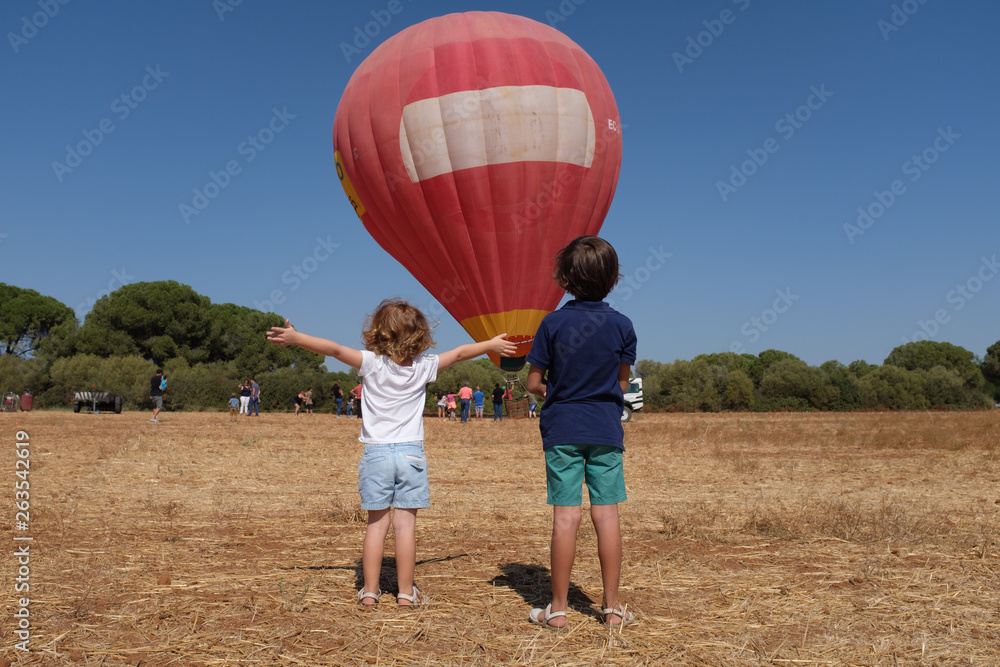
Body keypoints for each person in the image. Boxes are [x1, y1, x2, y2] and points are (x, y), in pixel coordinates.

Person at [266, 298, 514, 608]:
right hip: (411, 454)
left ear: (378, 333)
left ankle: (369, 592)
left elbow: (333, 350)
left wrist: (295, 338)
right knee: (405, 526)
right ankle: (406, 593)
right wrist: (491, 343)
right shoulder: (425, 367)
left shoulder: (370, 362)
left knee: (376, 525)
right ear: (419, 335)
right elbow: (462, 353)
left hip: (377, 454)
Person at [524, 235, 637, 630]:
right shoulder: (623, 326)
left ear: (565, 279)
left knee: (565, 517)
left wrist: (557, 390)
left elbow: (533, 382)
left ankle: (556, 609)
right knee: (606, 516)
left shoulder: (552, 324)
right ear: (612, 278)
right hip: (605, 428)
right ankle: (611, 608)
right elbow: (621, 385)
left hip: (562, 429)